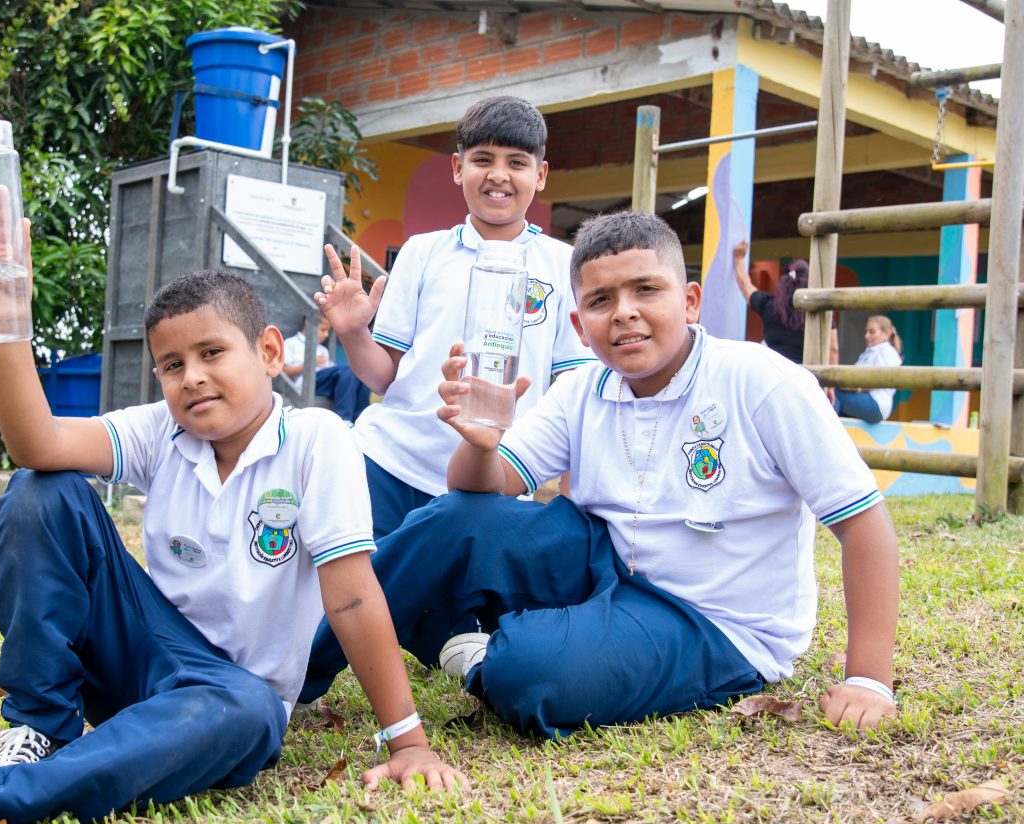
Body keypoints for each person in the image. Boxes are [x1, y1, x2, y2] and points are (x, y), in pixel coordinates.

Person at [0, 204, 464, 824]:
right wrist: (3, 325)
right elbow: (37, 443)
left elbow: (351, 597)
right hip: (141, 654)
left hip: (226, 699)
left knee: (253, 711)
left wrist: (408, 741)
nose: (191, 377)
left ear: (266, 352)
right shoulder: (162, 431)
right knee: (42, 489)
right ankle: (41, 728)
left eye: (211, 352)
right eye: (172, 365)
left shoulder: (318, 439)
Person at [302, 211, 900, 736]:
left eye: (647, 290)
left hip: (710, 619)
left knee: (526, 672)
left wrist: (869, 680)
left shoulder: (763, 383)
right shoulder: (584, 387)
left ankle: (492, 651)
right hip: (603, 560)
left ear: (690, 301)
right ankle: (294, 674)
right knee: (451, 520)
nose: (625, 313)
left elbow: (863, 524)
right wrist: (481, 440)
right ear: (578, 324)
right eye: (601, 300)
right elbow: (477, 493)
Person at [315, 95, 597, 541]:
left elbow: (574, 391)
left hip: (492, 482)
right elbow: (384, 378)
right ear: (457, 168)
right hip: (388, 465)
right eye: (482, 159)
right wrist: (352, 332)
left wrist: (568, 491)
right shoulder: (423, 252)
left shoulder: (564, 266)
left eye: (517, 162)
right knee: (368, 582)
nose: (498, 174)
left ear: (540, 175)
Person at [732, 240, 840, 367]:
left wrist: (738, 259)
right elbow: (833, 349)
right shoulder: (819, 311)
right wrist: (828, 378)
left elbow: (746, 287)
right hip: (805, 373)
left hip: (773, 371)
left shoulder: (769, 305)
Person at [283, 315, 370, 422]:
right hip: (304, 383)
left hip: (325, 383)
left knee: (358, 375)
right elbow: (284, 372)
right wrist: (311, 364)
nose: (326, 335)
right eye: (323, 330)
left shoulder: (323, 349)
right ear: (309, 325)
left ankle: (361, 419)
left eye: (328, 331)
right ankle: (344, 418)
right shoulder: (291, 343)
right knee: (346, 370)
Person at [834, 314, 903, 424]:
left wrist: (854, 388)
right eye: (866, 332)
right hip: (865, 399)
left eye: (872, 332)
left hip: (875, 403)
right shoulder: (870, 352)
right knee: (834, 398)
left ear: (887, 333)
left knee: (833, 392)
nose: (866, 336)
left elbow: (882, 380)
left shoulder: (886, 351)